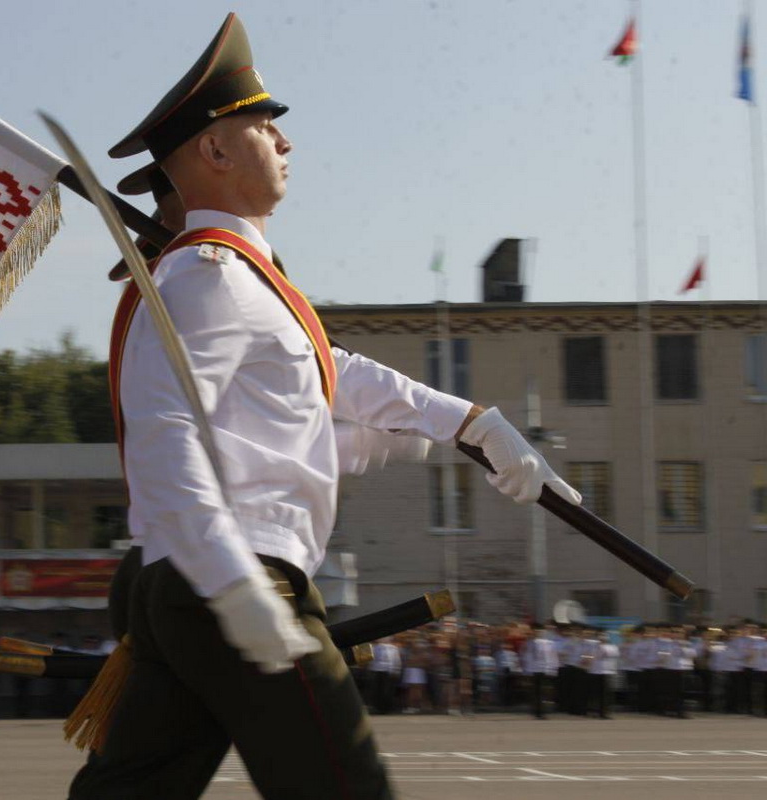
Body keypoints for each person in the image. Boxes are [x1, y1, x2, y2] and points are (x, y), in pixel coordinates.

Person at [67, 13, 581, 799]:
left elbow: (331, 374)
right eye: (264, 125)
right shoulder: (208, 275)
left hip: (201, 578)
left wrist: (469, 423)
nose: (286, 142)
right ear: (213, 151)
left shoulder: (241, 278)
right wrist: (231, 582)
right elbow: (163, 431)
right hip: (234, 570)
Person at [523, 623, 559, 719]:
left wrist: (553, 668)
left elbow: (553, 656)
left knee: (544, 691)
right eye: (536, 631)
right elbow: (527, 657)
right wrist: (527, 669)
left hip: (545, 669)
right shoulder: (530, 643)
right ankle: (536, 712)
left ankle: (542, 711)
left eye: (540, 631)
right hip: (534, 669)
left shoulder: (549, 643)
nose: (538, 633)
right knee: (535, 691)